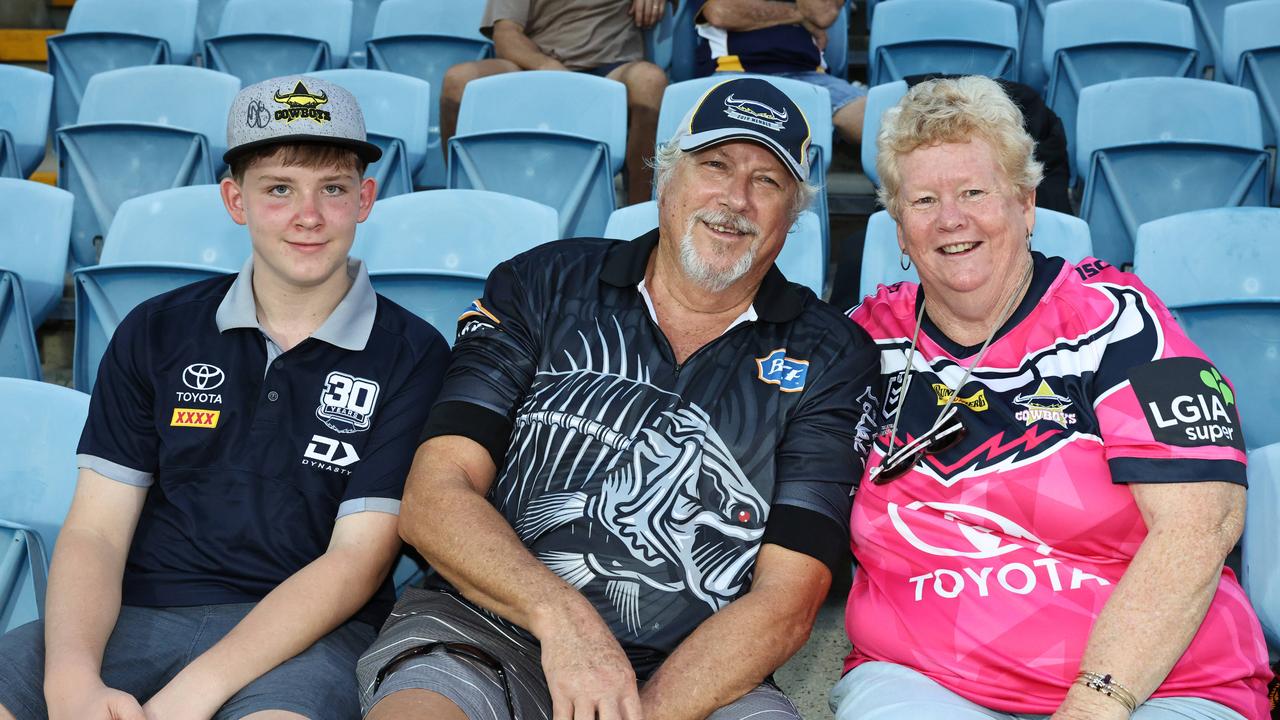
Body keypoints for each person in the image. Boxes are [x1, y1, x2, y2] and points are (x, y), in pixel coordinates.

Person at [356, 77, 882, 720]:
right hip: (483, 628)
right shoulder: (543, 282)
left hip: (700, 662)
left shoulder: (832, 353)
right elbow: (434, 496)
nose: (736, 199)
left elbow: (789, 597)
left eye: (767, 181)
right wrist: (565, 621)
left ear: (792, 215)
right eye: (715, 165)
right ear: (666, 178)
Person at [0, 76, 451, 720]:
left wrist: (194, 694)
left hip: (304, 637)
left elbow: (355, 560)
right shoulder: (157, 328)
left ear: (366, 199)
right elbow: (97, 531)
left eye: (333, 189)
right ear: (235, 200)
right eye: (278, 190)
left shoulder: (413, 353)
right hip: (136, 611)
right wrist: (71, 678)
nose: (309, 216)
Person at [833, 75, 1271, 720]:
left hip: (1153, 682)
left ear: (1027, 204)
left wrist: (1097, 702)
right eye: (924, 200)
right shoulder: (862, 342)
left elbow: (1200, 526)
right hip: (925, 679)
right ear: (899, 229)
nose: (950, 218)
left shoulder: (1120, 322)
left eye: (975, 192)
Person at [440, 0, 669, 205]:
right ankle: (461, 204)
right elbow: (506, 34)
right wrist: (547, 66)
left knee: (650, 82)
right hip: (538, 63)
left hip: (613, 68)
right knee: (458, 82)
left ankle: (636, 216)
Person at [695, 0, 869, 146]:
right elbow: (721, 11)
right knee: (744, 139)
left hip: (810, 76)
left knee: (874, 120)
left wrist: (779, 12)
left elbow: (823, 13)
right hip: (737, 70)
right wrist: (800, 14)